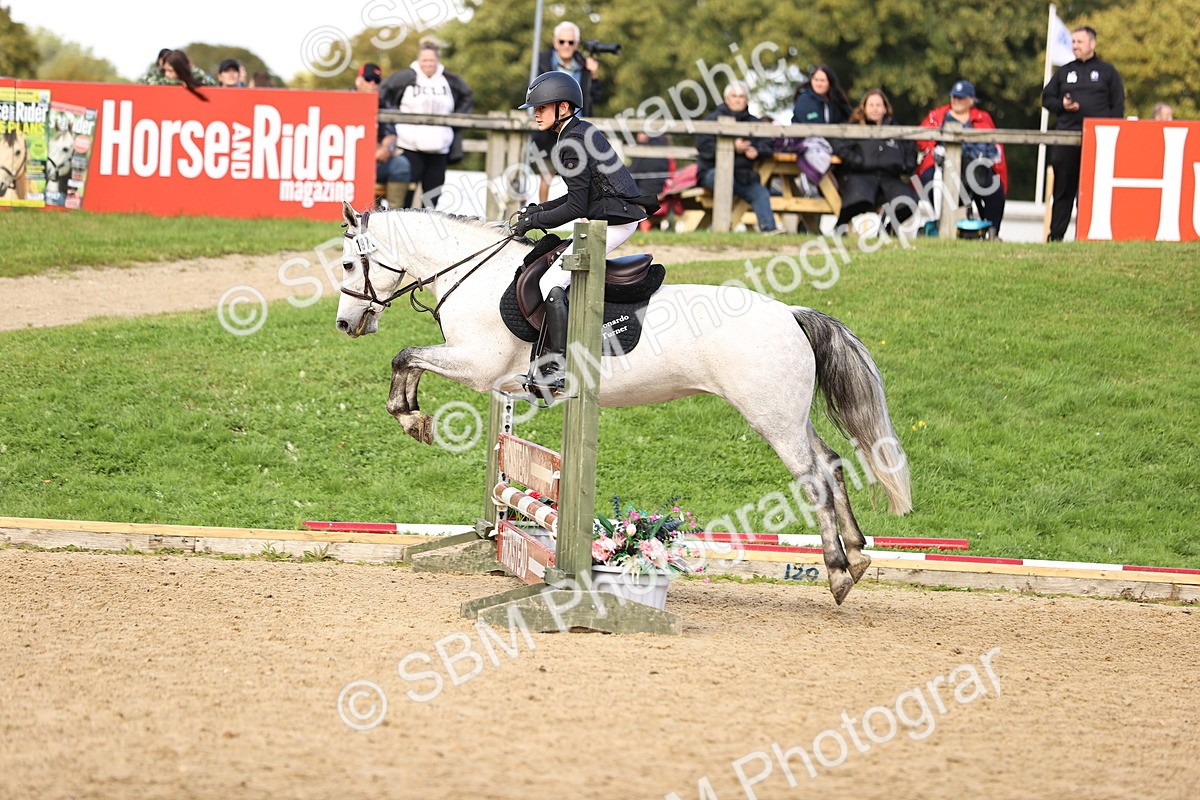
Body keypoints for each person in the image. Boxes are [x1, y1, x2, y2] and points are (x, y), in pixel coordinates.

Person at [511, 72, 654, 395]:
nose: (536, 114)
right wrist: (538, 210)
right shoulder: (578, 132)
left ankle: (559, 369)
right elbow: (581, 198)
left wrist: (534, 221)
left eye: (542, 107)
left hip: (615, 222)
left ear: (563, 107)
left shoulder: (570, 143)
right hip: (610, 215)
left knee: (550, 282)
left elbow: (576, 207)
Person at [1041, 25, 1125, 242]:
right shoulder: (1065, 72)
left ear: (1092, 44)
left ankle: (1091, 237)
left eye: (1079, 41)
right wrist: (1062, 105)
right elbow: (1046, 98)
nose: (1075, 46)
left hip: (1098, 141)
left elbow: (1117, 106)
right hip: (1067, 138)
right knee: (1063, 189)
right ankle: (1056, 237)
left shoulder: (1108, 72)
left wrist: (1110, 134)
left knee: (1094, 190)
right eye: (1073, 42)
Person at [379, 38, 473, 209]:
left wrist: (457, 120)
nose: (428, 64)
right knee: (406, 197)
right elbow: (383, 93)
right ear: (418, 60)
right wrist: (392, 119)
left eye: (431, 60)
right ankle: (401, 223)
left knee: (432, 198)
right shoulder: (405, 77)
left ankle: (427, 225)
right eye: (424, 60)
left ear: (437, 61)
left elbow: (467, 95)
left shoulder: (450, 80)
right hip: (409, 147)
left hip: (439, 149)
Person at [917, 79, 1008, 237]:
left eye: (961, 97)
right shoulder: (937, 115)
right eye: (954, 97)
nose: (956, 101)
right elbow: (921, 138)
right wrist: (934, 150)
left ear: (971, 100)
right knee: (928, 180)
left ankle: (992, 232)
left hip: (974, 168)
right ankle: (941, 224)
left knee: (995, 189)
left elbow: (994, 147)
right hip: (942, 167)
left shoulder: (983, 118)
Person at [529, 21, 604, 205]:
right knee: (547, 174)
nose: (566, 46)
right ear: (555, 42)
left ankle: (583, 216)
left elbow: (596, 96)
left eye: (570, 42)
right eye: (562, 41)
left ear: (576, 44)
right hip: (550, 128)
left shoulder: (585, 65)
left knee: (581, 174)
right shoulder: (541, 62)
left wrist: (593, 75)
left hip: (577, 127)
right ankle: (542, 212)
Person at [695, 82, 783, 234]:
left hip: (742, 176)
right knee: (722, 177)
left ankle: (770, 230)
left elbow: (768, 145)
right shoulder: (711, 120)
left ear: (747, 100)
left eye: (741, 96)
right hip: (712, 173)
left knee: (760, 192)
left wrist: (757, 151)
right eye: (734, 96)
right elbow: (702, 146)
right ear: (726, 99)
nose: (738, 100)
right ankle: (720, 229)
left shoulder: (754, 123)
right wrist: (732, 147)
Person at [833, 88, 919, 232]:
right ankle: (840, 228)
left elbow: (910, 149)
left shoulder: (896, 129)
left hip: (889, 178)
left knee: (910, 201)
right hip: (860, 176)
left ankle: (889, 231)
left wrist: (905, 165)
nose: (875, 109)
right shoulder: (854, 128)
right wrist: (857, 161)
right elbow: (839, 146)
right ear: (864, 108)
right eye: (871, 105)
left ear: (885, 108)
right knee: (859, 201)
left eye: (878, 105)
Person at [356, 63, 412, 208]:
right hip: (350, 162)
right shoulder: (344, 100)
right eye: (368, 79)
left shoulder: (383, 104)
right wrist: (372, 150)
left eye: (376, 81)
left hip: (375, 162)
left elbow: (391, 136)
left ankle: (394, 215)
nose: (372, 84)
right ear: (358, 81)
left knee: (401, 164)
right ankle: (366, 212)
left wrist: (387, 149)